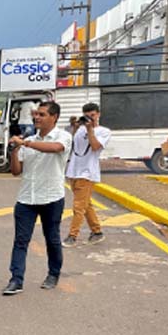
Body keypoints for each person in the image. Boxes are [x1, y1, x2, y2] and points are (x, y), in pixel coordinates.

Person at [3, 101, 72, 295]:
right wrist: (15, 151)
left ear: (54, 117)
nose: (37, 118)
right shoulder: (29, 140)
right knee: (20, 241)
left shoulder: (63, 137)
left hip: (51, 197)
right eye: (36, 114)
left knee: (52, 239)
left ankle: (53, 274)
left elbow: (55, 148)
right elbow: (16, 172)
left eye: (42, 114)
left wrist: (24, 143)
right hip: (26, 198)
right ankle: (16, 280)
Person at [64, 103, 111, 247]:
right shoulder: (80, 129)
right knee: (86, 204)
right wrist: (75, 127)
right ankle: (96, 232)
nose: (90, 118)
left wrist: (90, 129)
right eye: (87, 115)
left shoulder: (104, 131)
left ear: (98, 114)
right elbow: (73, 145)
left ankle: (72, 236)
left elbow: (96, 147)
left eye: (93, 115)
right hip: (74, 171)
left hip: (88, 173)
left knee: (78, 206)